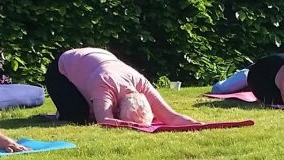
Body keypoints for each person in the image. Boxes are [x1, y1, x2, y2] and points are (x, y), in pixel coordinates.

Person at [44, 47, 198, 125]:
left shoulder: (141, 84)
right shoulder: (103, 86)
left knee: (91, 109)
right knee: (80, 117)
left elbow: (171, 117)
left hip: (94, 61)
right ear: (117, 109)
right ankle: (59, 114)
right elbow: (104, 120)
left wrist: (197, 124)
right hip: (60, 70)